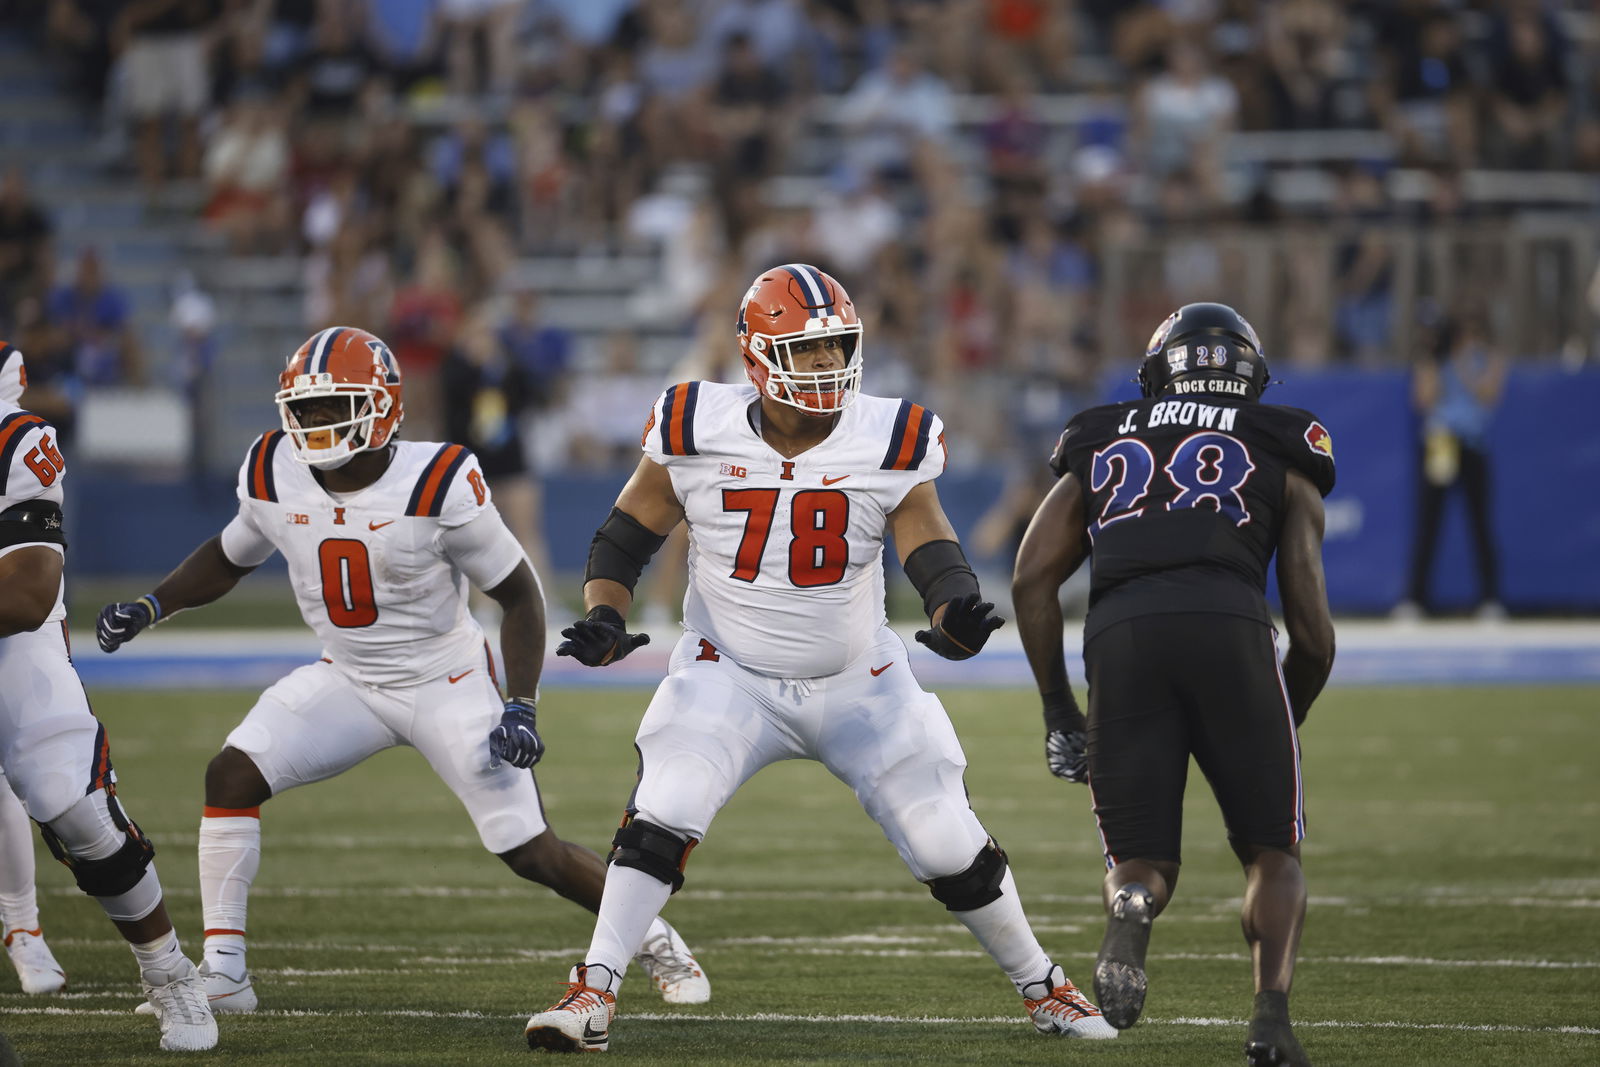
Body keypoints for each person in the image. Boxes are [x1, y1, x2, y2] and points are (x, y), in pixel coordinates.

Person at [522, 264, 1116, 1053]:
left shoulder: (886, 434)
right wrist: (605, 610)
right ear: (758, 355)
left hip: (857, 677)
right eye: (806, 349)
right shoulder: (697, 422)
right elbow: (628, 531)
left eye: (837, 345)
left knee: (946, 841)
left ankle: (1044, 986)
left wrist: (953, 609)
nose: (827, 362)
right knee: (665, 806)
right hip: (728, 671)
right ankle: (593, 989)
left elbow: (926, 535)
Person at [96, 326, 710, 1015]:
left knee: (528, 849)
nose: (316, 423)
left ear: (383, 406)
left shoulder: (436, 479)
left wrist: (521, 704)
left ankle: (654, 937)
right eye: (305, 408)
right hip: (348, 677)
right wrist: (153, 604)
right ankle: (225, 974)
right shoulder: (272, 468)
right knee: (230, 775)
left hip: (444, 680)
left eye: (334, 407)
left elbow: (518, 593)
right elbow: (230, 553)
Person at [1012, 303, 1335, 1067]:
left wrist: (1059, 708)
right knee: (1271, 849)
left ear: (1159, 371)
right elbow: (1314, 634)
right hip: (1231, 625)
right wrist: (1280, 714)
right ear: (1251, 374)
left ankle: (1132, 905)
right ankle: (1270, 1020)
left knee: (1141, 859)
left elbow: (1030, 578)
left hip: (1121, 633)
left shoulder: (1099, 432)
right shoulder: (1283, 439)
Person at [0, 343, 215, 1049]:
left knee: (76, 808)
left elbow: (28, 594)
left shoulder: (16, 440)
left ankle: (169, 973)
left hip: (13, 647)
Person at [1395, 312, 1506, 620]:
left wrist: (1464, 362)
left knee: (1480, 521)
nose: (1467, 340)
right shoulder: (1435, 359)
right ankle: (1415, 598)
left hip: (1472, 444)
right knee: (1429, 520)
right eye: (1462, 334)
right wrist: (1432, 358)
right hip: (1441, 443)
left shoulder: (1488, 359)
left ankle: (1490, 598)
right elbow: (1423, 399)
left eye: (1474, 333)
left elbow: (1487, 395)